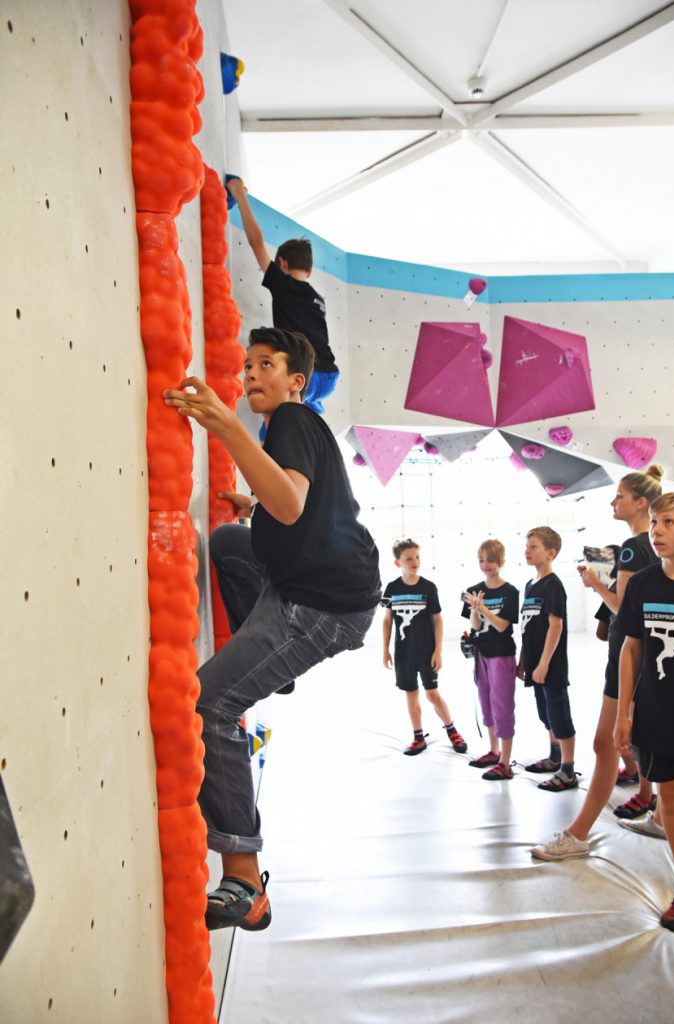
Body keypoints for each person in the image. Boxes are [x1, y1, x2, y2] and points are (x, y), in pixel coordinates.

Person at [163, 327, 380, 932]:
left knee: (208, 702)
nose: (251, 373)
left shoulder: (290, 418)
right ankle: (263, 671)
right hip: (308, 582)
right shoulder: (288, 429)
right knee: (232, 542)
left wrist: (221, 425)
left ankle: (243, 879)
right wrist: (248, 500)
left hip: (322, 607)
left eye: (266, 363)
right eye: (247, 363)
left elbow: (290, 504)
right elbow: (290, 506)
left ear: (295, 381)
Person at [531, 466, 663, 860]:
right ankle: (657, 816)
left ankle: (578, 834)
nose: (612, 501)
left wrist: (595, 585)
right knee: (648, 744)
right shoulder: (649, 550)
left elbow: (625, 609)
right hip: (642, 657)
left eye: (620, 495)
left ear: (641, 502)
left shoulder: (631, 548)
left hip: (629, 656)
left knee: (604, 744)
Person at [614, 491, 674, 932]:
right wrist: (625, 711)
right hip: (659, 713)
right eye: (655, 522)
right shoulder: (641, 583)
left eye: (670, 522)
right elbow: (631, 649)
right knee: (672, 799)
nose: (657, 530)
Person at [226, 177, 339, 416]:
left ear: (282, 264)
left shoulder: (283, 284)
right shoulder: (318, 298)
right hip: (329, 376)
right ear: (309, 271)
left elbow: (256, 242)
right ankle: (312, 406)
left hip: (310, 375)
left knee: (278, 422)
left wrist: (240, 196)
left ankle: (304, 411)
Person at [382, 539, 467, 756]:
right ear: (397, 562)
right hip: (403, 655)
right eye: (408, 558)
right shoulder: (392, 588)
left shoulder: (428, 587)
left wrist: (438, 650)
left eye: (417, 557)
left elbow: (437, 620)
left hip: (426, 652)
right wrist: (385, 649)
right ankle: (418, 737)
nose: (415, 562)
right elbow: (387, 620)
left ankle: (452, 730)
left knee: (432, 694)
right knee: (411, 694)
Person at [518, 527, 577, 791]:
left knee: (559, 714)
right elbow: (527, 625)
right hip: (533, 663)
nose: (527, 551)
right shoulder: (530, 586)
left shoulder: (553, 585)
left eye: (534, 546)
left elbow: (556, 626)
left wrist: (543, 664)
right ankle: (554, 757)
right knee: (546, 714)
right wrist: (524, 660)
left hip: (550, 665)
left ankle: (568, 769)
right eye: (527, 546)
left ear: (551, 553)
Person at [462, 539, 519, 780]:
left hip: (502, 654)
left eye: (491, 560)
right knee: (485, 701)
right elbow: (475, 626)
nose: (486, 565)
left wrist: (483, 608)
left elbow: (502, 625)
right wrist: (475, 609)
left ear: (501, 562)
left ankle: (505, 762)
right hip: (481, 653)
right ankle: (493, 751)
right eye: (482, 560)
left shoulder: (510, 592)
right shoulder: (473, 589)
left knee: (502, 704)